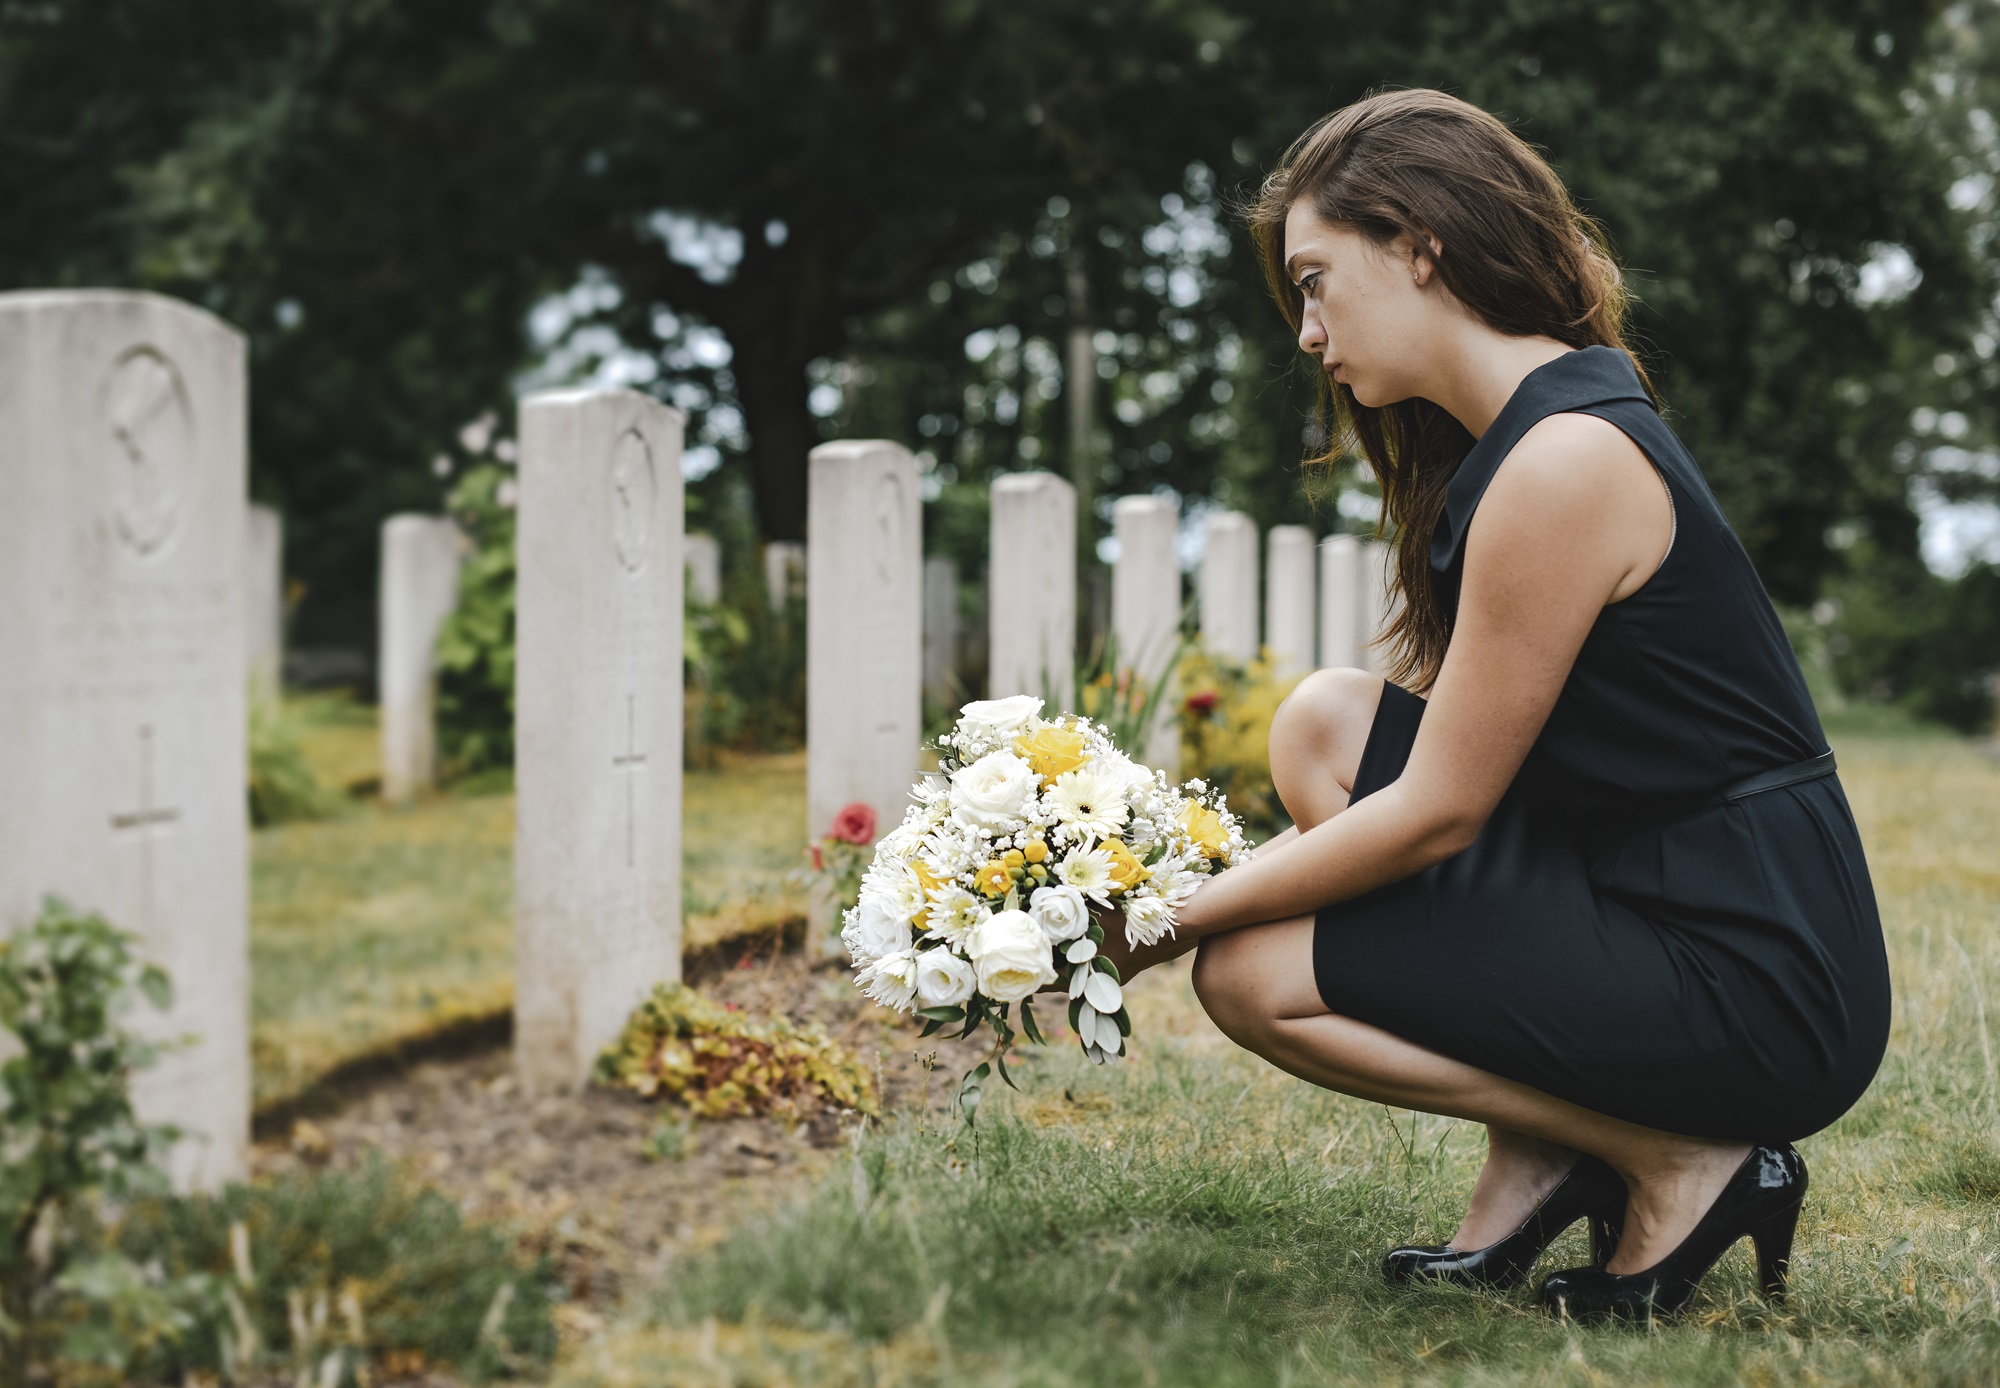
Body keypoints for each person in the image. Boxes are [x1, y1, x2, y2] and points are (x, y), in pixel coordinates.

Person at [1097, 88, 1891, 1323]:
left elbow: (1436, 813)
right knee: (1321, 722)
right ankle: (1547, 1152)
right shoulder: (1522, 440)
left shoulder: (1561, 461)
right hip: (1642, 883)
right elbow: (1440, 775)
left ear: (1419, 244)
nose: (1305, 331)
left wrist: (1163, 918)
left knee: (1245, 971)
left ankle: (1680, 1158)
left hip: (1757, 969)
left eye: (1314, 281)